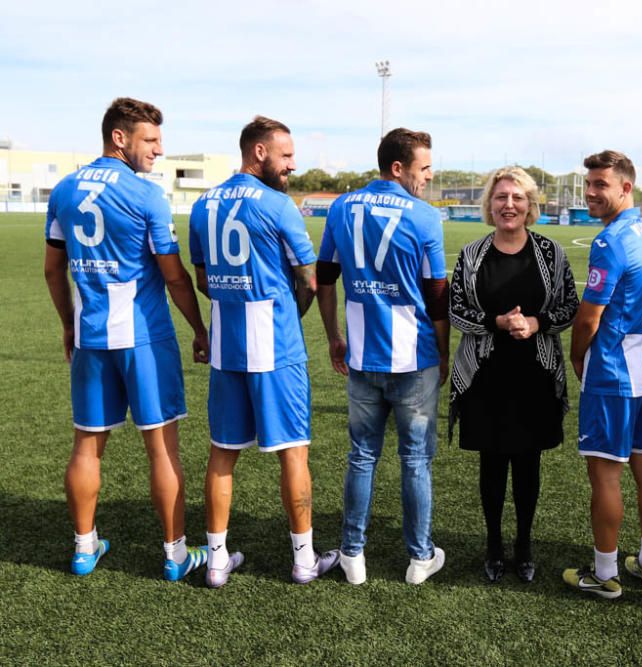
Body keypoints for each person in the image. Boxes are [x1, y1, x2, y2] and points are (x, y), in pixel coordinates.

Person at [43, 97, 210, 580]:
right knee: (161, 448)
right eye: (151, 140)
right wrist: (199, 330)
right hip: (144, 338)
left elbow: (54, 270)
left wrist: (68, 324)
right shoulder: (146, 195)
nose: (159, 150)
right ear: (120, 138)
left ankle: (83, 547)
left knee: (87, 445)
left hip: (91, 337)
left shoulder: (64, 190)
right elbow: (175, 277)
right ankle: (176, 554)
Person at [189, 116, 337, 587]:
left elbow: (201, 280)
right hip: (275, 344)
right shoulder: (278, 205)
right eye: (287, 155)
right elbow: (310, 279)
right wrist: (294, 311)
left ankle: (215, 560)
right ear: (259, 152)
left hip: (226, 343)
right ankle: (304, 560)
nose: (293, 164)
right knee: (294, 452)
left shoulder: (203, 204)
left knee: (221, 454)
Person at [316, 127, 450, 585]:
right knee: (415, 460)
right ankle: (419, 558)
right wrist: (445, 354)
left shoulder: (341, 207)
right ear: (399, 167)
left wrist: (334, 334)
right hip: (414, 359)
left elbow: (325, 277)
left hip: (360, 356)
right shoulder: (426, 217)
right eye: (424, 167)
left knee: (361, 457)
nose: (429, 177)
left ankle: (353, 554)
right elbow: (437, 298)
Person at [449, 167, 579, 583]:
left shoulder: (551, 254)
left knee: (527, 466)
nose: (509, 205)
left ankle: (523, 545)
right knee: (491, 465)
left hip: (534, 375)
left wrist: (538, 323)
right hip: (485, 376)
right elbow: (455, 310)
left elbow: (570, 306)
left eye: (518, 197)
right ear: (490, 204)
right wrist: (497, 323)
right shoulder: (471, 255)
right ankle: (493, 545)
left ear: (530, 205)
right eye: (501, 197)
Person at [563, 151, 642, 599]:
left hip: (615, 372)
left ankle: (605, 574)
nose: (590, 192)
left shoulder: (611, 240)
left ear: (626, 188)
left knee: (605, 475)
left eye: (601, 184)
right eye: (589, 183)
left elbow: (589, 317)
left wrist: (577, 356)